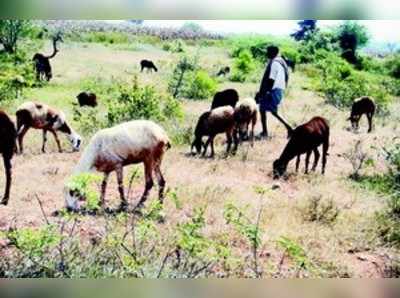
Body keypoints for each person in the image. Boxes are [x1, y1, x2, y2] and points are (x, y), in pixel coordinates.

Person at [256, 45, 293, 139]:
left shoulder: (274, 63)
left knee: (271, 111)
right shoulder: (280, 61)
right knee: (264, 109)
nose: (266, 53)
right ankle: (287, 128)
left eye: (268, 52)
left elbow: (271, 80)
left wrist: (265, 92)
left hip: (273, 90)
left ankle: (289, 128)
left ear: (272, 52)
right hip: (278, 89)